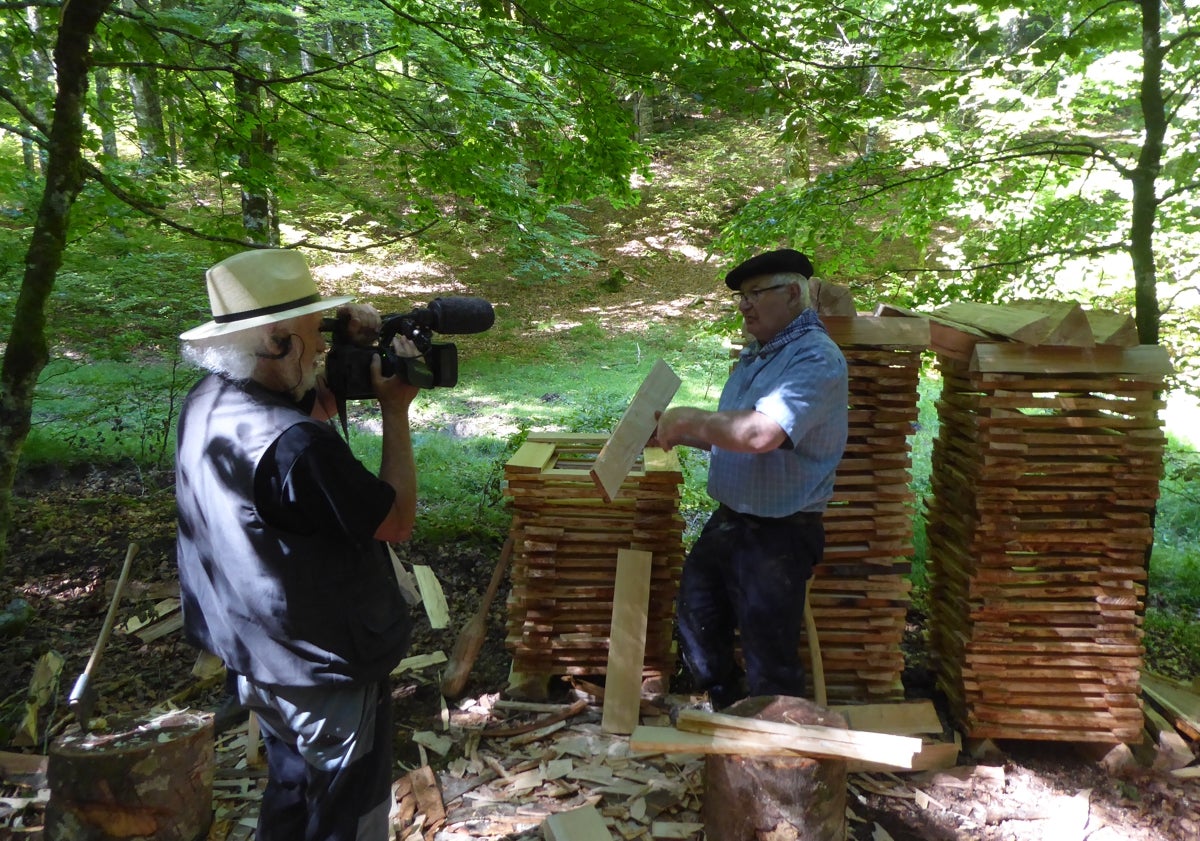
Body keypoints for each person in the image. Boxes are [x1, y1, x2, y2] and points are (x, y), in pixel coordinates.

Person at [175, 248, 420, 841]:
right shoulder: (297, 448)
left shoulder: (210, 400)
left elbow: (309, 407)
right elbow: (396, 520)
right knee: (346, 810)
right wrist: (395, 410)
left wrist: (348, 352)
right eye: (314, 336)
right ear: (277, 343)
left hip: (257, 651)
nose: (321, 351)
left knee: (291, 789)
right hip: (321, 663)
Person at [652, 248, 848, 709]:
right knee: (698, 618)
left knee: (769, 654)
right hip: (731, 519)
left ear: (794, 293)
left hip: (781, 531)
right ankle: (727, 711)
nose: (745, 305)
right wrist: (674, 430)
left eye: (757, 293)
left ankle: (777, 748)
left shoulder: (815, 359)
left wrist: (688, 419)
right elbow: (735, 435)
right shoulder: (758, 356)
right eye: (742, 297)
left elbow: (761, 433)